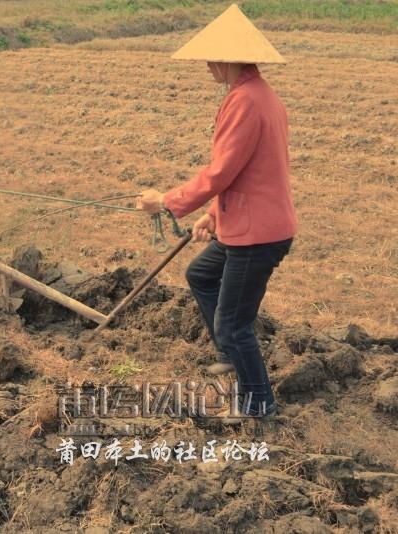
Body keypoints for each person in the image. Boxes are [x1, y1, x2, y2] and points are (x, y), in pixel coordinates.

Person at [135, 4, 297, 420]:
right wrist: (213, 214)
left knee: (234, 323)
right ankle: (231, 355)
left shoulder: (245, 101)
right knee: (201, 274)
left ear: (229, 57)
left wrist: (166, 202)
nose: (207, 65)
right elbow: (247, 171)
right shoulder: (257, 94)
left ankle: (259, 404)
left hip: (256, 235)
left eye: (211, 57)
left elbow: (221, 170)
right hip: (251, 222)